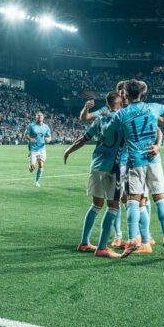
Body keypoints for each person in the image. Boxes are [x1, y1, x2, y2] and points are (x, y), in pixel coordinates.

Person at [111, 80, 164, 258]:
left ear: (126, 95)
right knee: (160, 199)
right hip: (154, 160)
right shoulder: (154, 107)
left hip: (135, 162)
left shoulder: (122, 114)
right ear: (142, 94)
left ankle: (132, 240)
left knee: (133, 201)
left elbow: (108, 129)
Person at [63, 91, 124, 258]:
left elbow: (83, 138)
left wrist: (68, 150)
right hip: (112, 168)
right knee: (113, 206)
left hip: (96, 165)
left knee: (96, 205)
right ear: (120, 103)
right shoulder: (122, 118)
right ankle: (103, 247)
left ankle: (84, 243)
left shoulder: (100, 118)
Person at [26, 112, 52, 187]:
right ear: (36, 117)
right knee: (32, 168)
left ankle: (36, 182)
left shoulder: (46, 127)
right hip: (33, 149)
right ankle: (31, 164)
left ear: (43, 117)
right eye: (38, 115)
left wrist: (48, 140)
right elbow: (26, 135)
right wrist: (30, 139)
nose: (39, 116)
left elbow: (49, 137)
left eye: (41, 115)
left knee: (41, 165)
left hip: (42, 149)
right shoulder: (31, 126)